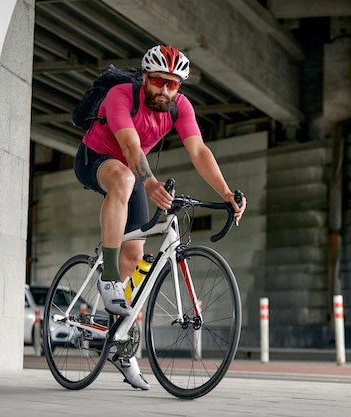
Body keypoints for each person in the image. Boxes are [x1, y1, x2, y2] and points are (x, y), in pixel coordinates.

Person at [73, 45, 246, 390]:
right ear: (144, 78)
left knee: (136, 257)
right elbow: (129, 146)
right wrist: (149, 181)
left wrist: (226, 193)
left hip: (132, 172)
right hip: (97, 160)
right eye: (158, 81)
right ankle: (107, 276)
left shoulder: (180, 107)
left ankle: (121, 344)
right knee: (123, 177)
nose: (165, 90)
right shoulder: (121, 96)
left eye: (173, 84)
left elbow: (198, 150)